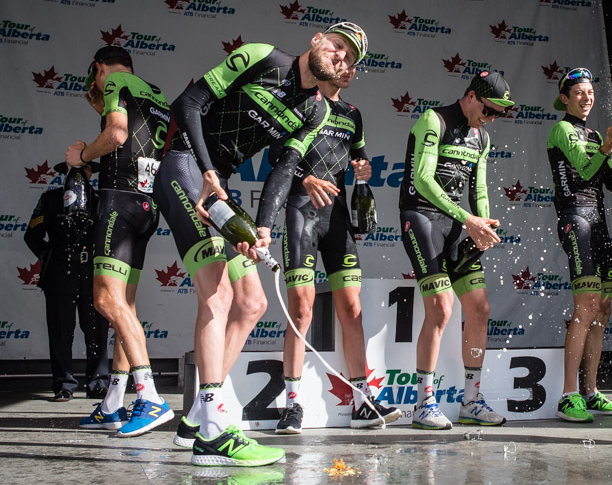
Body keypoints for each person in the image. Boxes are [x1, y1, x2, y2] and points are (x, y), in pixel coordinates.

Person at [155, 23, 365, 466]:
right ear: (317, 39)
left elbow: (284, 170)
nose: (340, 56)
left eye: (349, 57)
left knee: (252, 303)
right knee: (218, 293)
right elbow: (187, 103)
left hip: (218, 185)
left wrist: (265, 226)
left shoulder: (315, 110)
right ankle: (213, 429)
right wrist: (208, 171)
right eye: (337, 45)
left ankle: (195, 420)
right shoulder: (263, 57)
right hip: (184, 164)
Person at [274, 63, 401, 433]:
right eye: (342, 62)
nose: (349, 70)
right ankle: (291, 406)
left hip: (337, 218)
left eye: (354, 66)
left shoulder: (352, 113)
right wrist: (305, 178)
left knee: (352, 309)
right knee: (301, 310)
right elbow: (276, 157)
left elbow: (359, 158)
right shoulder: (301, 104)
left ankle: (363, 403)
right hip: (301, 213)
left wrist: (363, 172)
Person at [64, 46, 171, 436]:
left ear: (98, 67)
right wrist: (101, 110)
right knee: (124, 304)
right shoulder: (154, 91)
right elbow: (135, 139)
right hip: (146, 205)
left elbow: (117, 134)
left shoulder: (115, 82)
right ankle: (113, 402)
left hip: (119, 204)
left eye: (96, 77)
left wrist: (82, 156)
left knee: (106, 301)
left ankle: (150, 396)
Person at [399, 70, 512, 430]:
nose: (491, 118)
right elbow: (422, 179)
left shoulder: (482, 137)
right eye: (489, 110)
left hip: (457, 224)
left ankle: (471, 401)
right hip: (421, 218)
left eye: (498, 114)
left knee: (479, 308)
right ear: (472, 96)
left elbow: (479, 189)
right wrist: (468, 219)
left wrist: (485, 225)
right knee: (441, 308)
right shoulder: (434, 120)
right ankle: (423, 404)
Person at [547, 68, 612, 423]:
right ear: (565, 99)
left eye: (590, 92)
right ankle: (568, 396)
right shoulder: (562, 130)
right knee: (585, 307)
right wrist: (609, 145)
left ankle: (591, 391)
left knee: (603, 308)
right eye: (579, 93)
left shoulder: (596, 134)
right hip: (575, 218)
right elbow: (584, 171)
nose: (587, 97)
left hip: (598, 222)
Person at [24, 162, 109, 402]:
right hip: (60, 274)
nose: (80, 173)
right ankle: (64, 385)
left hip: (92, 274)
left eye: (85, 168)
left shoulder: (100, 200)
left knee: (96, 332)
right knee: (61, 332)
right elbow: (32, 236)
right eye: (75, 168)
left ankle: (98, 383)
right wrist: (51, 257)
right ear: (66, 171)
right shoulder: (51, 199)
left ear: (91, 173)